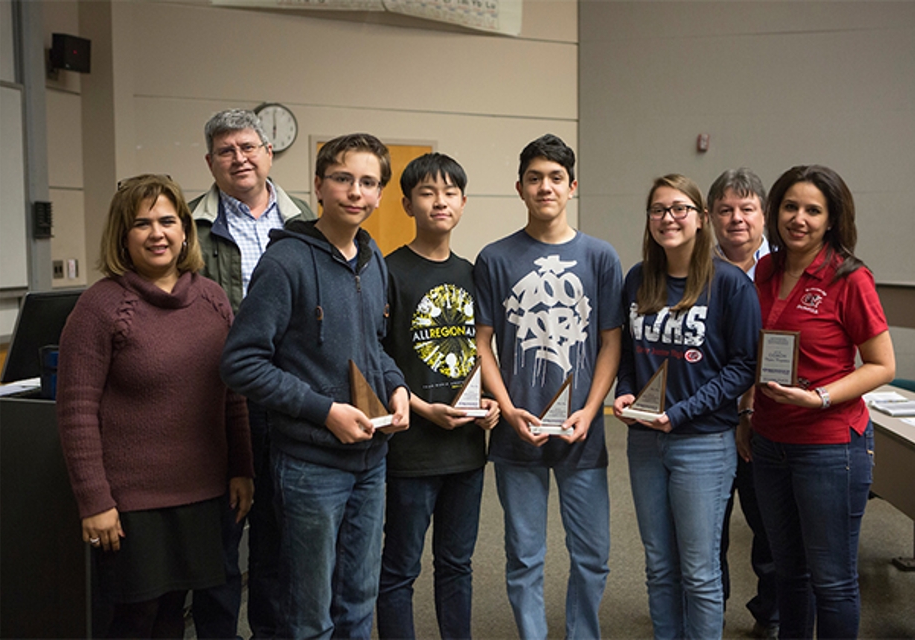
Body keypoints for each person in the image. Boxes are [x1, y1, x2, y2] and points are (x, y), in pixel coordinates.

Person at [220, 133, 411, 639]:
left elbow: (375, 347)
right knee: (308, 616)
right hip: (309, 468)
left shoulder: (374, 261)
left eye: (368, 183)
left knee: (357, 605)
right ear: (319, 185)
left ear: (379, 194)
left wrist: (395, 387)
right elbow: (241, 363)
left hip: (371, 463)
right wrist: (325, 411)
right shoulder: (285, 263)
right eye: (343, 178)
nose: (355, 192)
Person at [57, 174, 254, 638]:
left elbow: (233, 396)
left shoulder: (213, 299)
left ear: (185, 230)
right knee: (135, 618)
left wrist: (242, 468)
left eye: (167, 220)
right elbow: (76, 412)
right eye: (141, 224)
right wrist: (95, 501)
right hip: (131, 506)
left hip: (205, 494)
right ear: (123, 236)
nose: (157, 233)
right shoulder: (100, 307)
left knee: (177, 614)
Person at [474, 134, 622, 640]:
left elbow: (609, 343)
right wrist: (508, 407)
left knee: (593, 554)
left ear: (572, 185)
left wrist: (592, 409)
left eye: (555, 178)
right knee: (524, 554)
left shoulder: (601, 257)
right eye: (534, 178)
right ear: (519, 187)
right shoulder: (494, 258)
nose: (545, 187)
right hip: (520, 430)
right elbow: (482, 344)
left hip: (583, 432)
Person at [748, 165, 895, 639]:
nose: (799, 219)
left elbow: (881, 364)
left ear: (832, 219)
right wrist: (748, 413)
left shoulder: (850, 279)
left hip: (829, 447)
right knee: (790, 574)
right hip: (770, 442)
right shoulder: (766, 269)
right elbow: (759, 349)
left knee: (832, 583)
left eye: (814, 210)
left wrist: (820, 398)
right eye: (790, 207)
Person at [613, 174, 760, 640]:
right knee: (658, 565)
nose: (668, 218)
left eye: (679, 208)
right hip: (644, 441)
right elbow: (627, 354)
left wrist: (680, 413)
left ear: (700, 219)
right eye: (658, 209)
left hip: (703, 443)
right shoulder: (637, 278)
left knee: (699, 572)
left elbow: (742, 368)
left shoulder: (731, 284)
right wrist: (623, 390)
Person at [190, 108, 315, 639]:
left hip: (288, 392)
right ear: (210, 161)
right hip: (216, 395)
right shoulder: (190, 223)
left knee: (279, 527)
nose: (239, 158)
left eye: (248, 147)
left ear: (268, 153)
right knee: (223, 525)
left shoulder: (304, 221)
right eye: (226, 150)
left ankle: (270, 629)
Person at [376, 152, 500, 640]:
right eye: (427, 192)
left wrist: (491, 402)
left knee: (456, 564)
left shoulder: (474, 273)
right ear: (407, 204)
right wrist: (421, 406)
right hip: (411, 447)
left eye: (450, 193)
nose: (439, 201)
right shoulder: (387, 272)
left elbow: (482, 352)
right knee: (400, 568)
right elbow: (375, 357)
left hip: (467, 449)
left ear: (464, 203)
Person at [707, 168, 778, 639]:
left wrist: (750, 411)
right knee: (707, 531)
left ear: (764, 215)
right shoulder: (695, 270)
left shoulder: (784, 272)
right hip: (709, 422)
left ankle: (770, 614)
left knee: (769, 526)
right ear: (709, 217)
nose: (736, 219)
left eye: (747, 208)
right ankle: (709, 609)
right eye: (725, 210)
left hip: (770, 423)